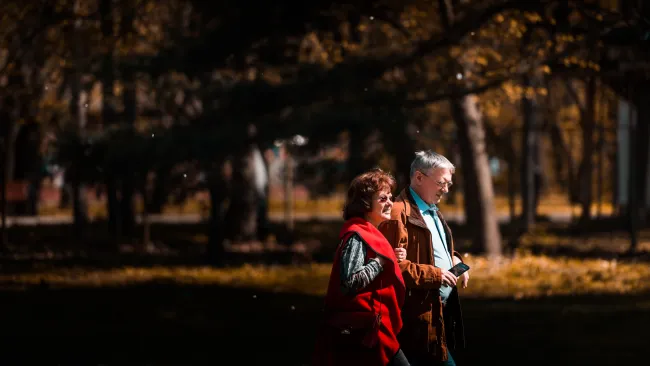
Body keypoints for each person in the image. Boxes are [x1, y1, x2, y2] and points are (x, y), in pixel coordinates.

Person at [379, 151, 469, 366]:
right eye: (441, 183)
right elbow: (391, 266)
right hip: (414, 319)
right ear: (419, 177)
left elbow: (436, 249)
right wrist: (437, 275)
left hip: (436, 315)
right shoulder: (397, 212)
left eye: (449, 183)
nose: (446, 190)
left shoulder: (432, 209)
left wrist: (455, 261)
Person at [313, 169, 410, 366]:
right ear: (365, 203)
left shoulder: (368, 232)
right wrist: (382, 261)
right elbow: (350, 282)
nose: (390, 203)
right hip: (364, 332)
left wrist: (390, 257)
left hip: (373, 329)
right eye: (383, 198)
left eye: (390, 197)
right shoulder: (357, 235)